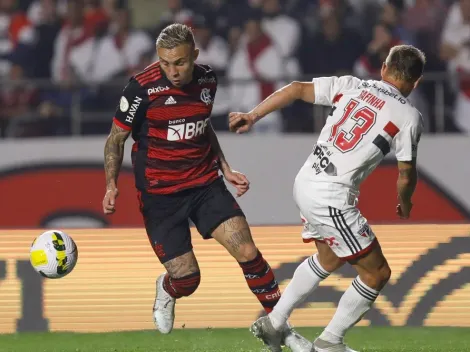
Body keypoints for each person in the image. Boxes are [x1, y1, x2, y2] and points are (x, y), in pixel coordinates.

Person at [102, 23, 310, 352]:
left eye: (180, 63)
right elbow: (116, 138)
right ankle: (169, 289)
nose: (172, 71)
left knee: (247, 251)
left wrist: (225, 168)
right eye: (165, 63)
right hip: (160, 196)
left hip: (203, 183)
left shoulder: (208, 80)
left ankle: (281, 329)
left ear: (195, 56)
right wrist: (111, 184)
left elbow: (202, 127)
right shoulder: (140, 88)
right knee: (188, 279)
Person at [229, 44, 425, 352]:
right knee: (377, 273)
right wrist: (406, 201)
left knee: (329, 258)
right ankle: (330, 342)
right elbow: (405, 174)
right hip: (331, 196)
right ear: (416, 83)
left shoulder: (352, 85)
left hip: (306, 180)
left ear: (384, 68)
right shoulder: (409, 116)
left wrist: (253, 115)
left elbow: (295, 89)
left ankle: (274, 322)